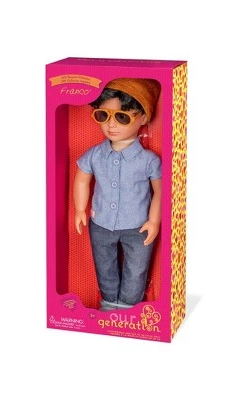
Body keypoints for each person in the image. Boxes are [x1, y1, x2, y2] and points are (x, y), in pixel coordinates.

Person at [73, 78, 162, 311]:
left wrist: (154, 220)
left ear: (143, 118)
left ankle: (129, 309)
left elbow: (161, 191)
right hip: (101, 223)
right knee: (104, 266)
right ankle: (109, 305)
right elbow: (81, 178)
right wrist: (80, 209)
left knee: (137, 269)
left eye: (122, 117)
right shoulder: (95, 155)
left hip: (138, 226)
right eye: (103, 116)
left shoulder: (149, 161)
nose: (111, 125)